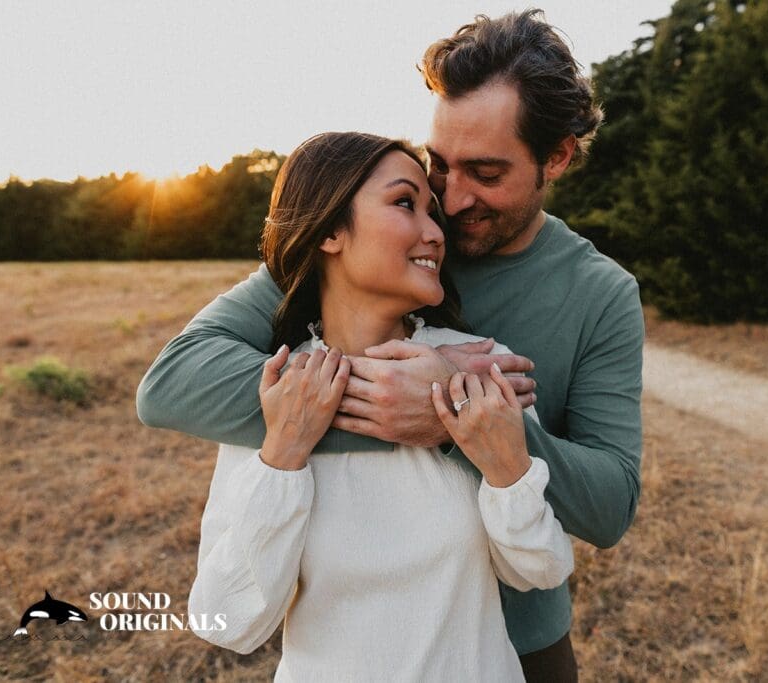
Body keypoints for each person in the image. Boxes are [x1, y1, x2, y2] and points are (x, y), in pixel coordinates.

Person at [138, 10, 644, 681]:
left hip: (520, 646)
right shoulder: (377, 241)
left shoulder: (600, 292)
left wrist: (452, 418)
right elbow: (171, 384)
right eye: (441, 164)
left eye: (485, 172)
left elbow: (609, 505)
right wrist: (380, 390)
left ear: (556, 156)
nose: (450, 201)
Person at [185, 131, 573, 681]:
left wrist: (508, 469)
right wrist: (284, 453)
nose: (436, 233)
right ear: (330, 232)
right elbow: (228, 622)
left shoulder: (482, 369)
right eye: (404, 203)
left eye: (432, 212)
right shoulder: (284, 394)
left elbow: (541, 568)